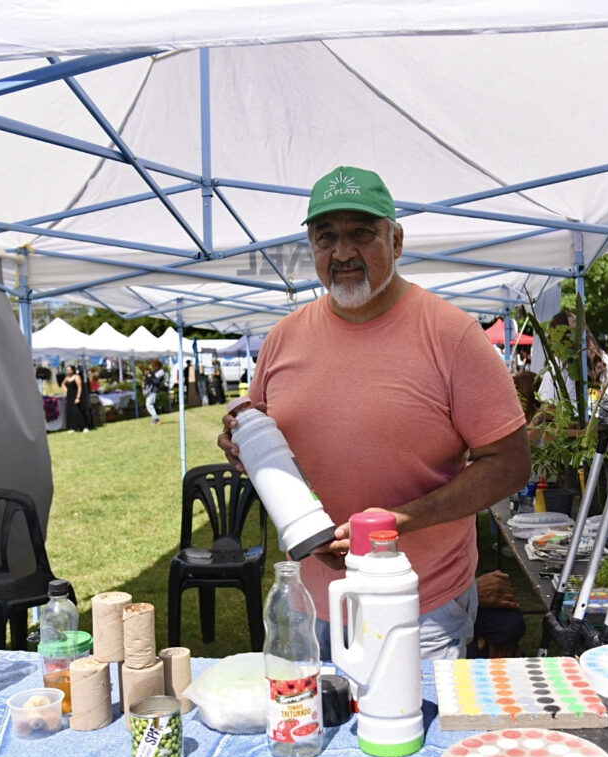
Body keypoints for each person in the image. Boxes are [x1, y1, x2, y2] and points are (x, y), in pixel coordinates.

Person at [218, 165, 530, 660]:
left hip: (418, 605)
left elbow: (511, 464)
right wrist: (243, 448)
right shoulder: (281, 340)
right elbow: (265, 443)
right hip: (309, 599)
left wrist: (400, 521)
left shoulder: (452, 336)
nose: (343, 252)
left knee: (407, 736)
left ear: (397, 240)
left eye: (361, 233)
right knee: (314, 730)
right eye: (327, 237)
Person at [62, 365, 87, 432]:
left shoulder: (76, 377)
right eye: (67, 370)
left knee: (77, 411)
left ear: (73, 370)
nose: (68, 371)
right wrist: (66, 390)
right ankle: (72, 427)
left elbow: (80, 387)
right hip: (69, 396)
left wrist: (78, 397)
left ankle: (83, 427)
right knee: (70, 412)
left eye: (69, 370)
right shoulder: (67, 378)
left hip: (75, 395)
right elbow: (63, 384)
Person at [143, 360, 168, 424]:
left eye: (154, 365)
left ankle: (156, 419)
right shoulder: (154, 372)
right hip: (150, 390)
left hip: (154, 390)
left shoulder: (161, 372)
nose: (153, 366)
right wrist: (147, 375)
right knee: (149, 404)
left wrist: (150, 377)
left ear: (157, 365)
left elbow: (157, 382)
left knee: (149, 404)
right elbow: (148, 380)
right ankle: (156, 419)